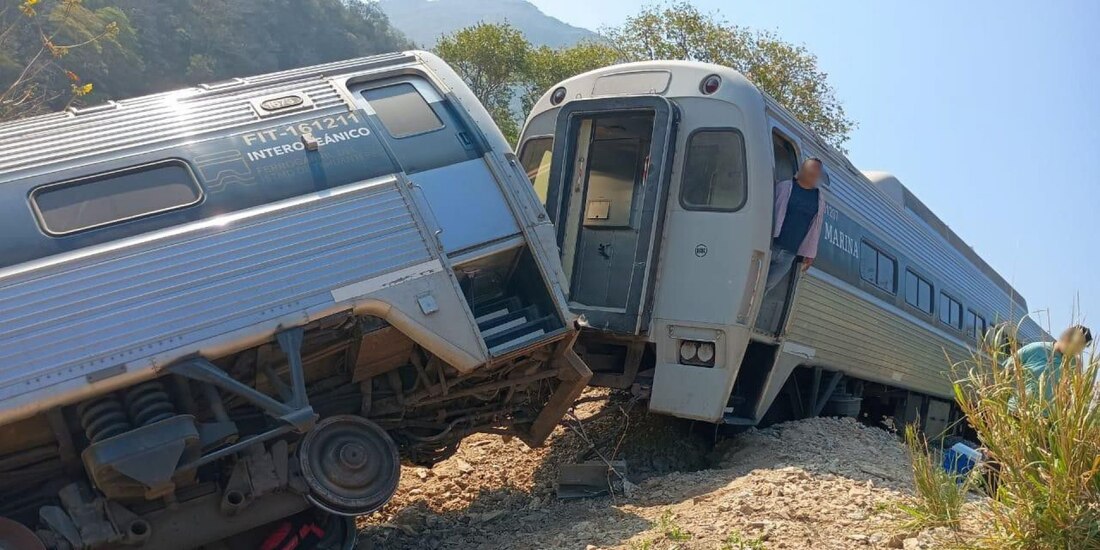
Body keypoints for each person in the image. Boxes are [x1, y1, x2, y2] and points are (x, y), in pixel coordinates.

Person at [764, 158, 827, 294]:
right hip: (770, 244)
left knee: (766, 287)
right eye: (810, 171)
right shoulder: (784, 187)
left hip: (789, 253)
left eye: (816, 173)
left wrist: (810, 253)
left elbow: (815, 227)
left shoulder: (819, 199)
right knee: (754, 280)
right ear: (802, 170)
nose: (812, 175)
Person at [1005, 324, 1092, 403]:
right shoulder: (1036, 349)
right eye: (1076, 345)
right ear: (1066, 337)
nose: (1076, 351)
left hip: (1046, 419)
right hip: (1017, 410)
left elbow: (1072, 394)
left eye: (1080, 348)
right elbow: (1005, 371)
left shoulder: (1074, 365)